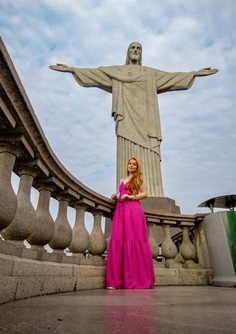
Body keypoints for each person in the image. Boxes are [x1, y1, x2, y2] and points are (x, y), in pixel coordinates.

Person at [50, 42, 218, 196]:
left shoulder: (150, 73)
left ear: (141, 53)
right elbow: (96, 74)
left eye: (139, 48)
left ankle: (151, 193)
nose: (136, 50)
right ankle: (126, 192)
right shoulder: (117, 72)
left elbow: (172, 77)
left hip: (147, 123)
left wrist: (195, 74)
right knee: (127, 157)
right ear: (128, 52)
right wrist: (73, 70)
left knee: (149, 158)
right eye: (133, 48)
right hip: (126, 121)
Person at [106, 157, 155, 289]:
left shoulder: (137, 179)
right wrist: (115, 196)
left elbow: (145, 193)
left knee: (133, 240)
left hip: (133, 210)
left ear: (137, 167)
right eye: (130, 163)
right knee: (118, 239)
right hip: (121, 211)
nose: (131, 165)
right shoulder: (122, 180)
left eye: (134, 164)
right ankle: (116, 281)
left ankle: (136, 279)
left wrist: (130, 196)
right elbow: (121, 194)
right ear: (127, 165)